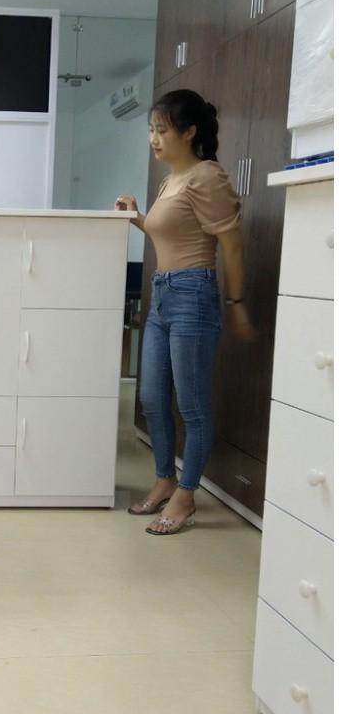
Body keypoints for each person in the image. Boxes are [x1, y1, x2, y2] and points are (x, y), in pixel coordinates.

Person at [115, 89, 254, 535]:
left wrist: (235, 303)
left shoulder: (206, 176)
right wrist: (137, 216)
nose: (154, 139)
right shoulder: (170, 181)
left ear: (190, 132)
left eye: (162, 130)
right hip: (161, 294)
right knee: (152, 399)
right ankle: (164, 479)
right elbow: (170, 233)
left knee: (191, 405)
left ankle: (186, 494)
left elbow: (232, 244)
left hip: (194, 295)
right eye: (151, 130)